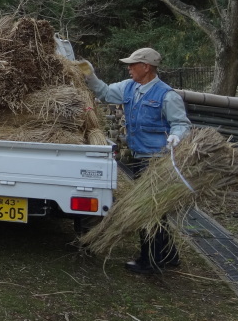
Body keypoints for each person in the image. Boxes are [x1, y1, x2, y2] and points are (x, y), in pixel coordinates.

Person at [77, 47, 191, 274]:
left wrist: (177, 136)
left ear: (146, 67)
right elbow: (106, 93)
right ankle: (169, 255)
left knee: (148, 211)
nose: (129, 68)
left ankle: (150, 262)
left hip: (157, 160)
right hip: (140, 158)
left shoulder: (166, 95)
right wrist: (90, 76)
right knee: (157, 210)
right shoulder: (129, 88)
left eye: (132, 64)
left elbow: (181, 123)